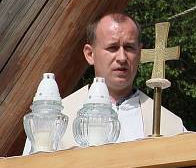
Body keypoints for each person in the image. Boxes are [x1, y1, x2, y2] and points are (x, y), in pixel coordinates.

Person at [23, 13, 185, 153]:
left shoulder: (170, 125)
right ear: (90, 54)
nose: (122, 58)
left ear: (140, 52)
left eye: (129, 48)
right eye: (112, 48)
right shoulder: (51, 119)